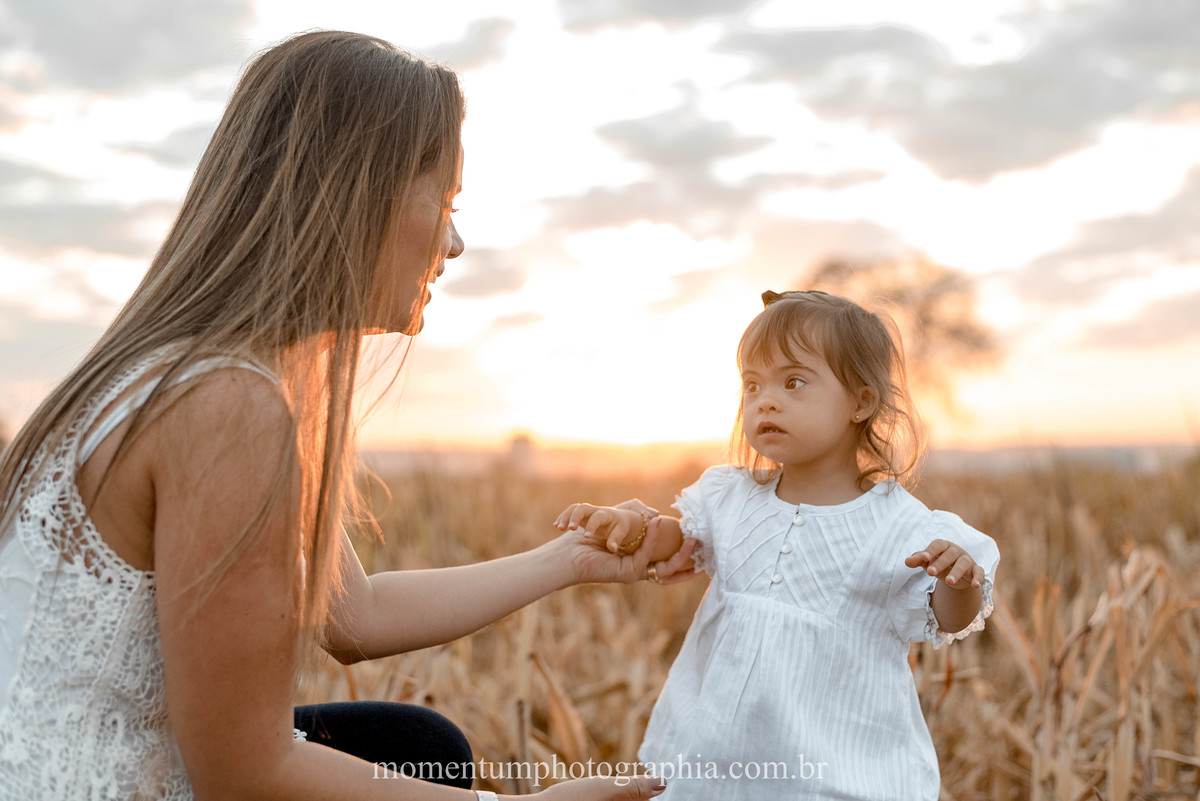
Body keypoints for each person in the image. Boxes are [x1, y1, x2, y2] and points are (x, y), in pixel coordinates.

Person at [0, 31, 668, 801]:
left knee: (414, 745)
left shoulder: (181, 367)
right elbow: (246, 771)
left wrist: (572, 559)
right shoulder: (227, 405)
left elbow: (355, 615)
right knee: (421, 754)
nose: (454, 242)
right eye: (445, 202)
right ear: (360, 192)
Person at [555, 289, 1000, 800]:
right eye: (752, 384)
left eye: (793, 382)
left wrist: (957, 577)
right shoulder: (731, 496)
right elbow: (672, 541)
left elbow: (949, 617)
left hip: (836, 774)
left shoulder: (900, 526)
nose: (765, 399)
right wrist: (624, 525)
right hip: (715, 759)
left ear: (861, 402)